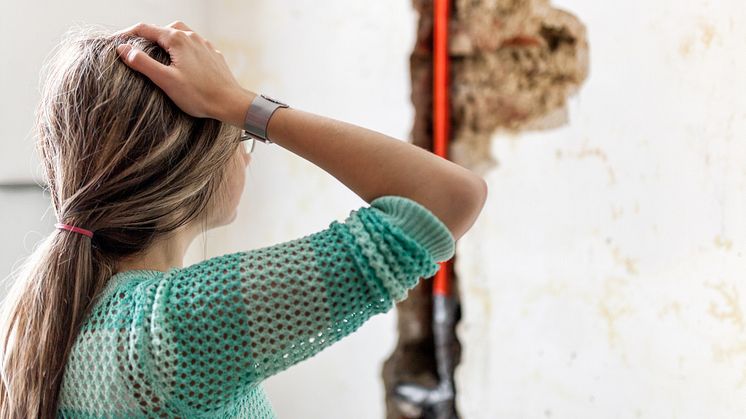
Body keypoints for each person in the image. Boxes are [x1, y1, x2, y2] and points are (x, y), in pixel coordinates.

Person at [0, 20, 487, 418]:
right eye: (239, 136)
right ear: (186, 166)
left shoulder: (34, 317)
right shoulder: (176, 328)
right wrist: (239, 104)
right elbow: (448, 197)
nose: (247, 153)